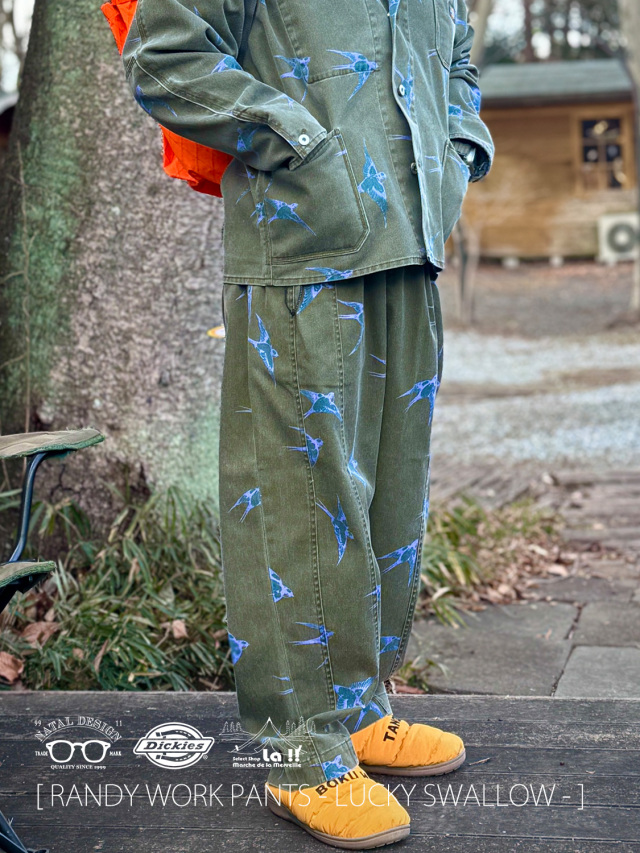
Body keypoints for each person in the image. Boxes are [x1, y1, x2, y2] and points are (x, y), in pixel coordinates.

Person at [123, 0, 494, 846]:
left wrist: (457, 148)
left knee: (390, 501)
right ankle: (303, 754)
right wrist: (297, 136)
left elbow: (457, 58)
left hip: (411, 244)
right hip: (301, 253)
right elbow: (165, 53)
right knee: (299, 504)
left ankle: (358, 714)